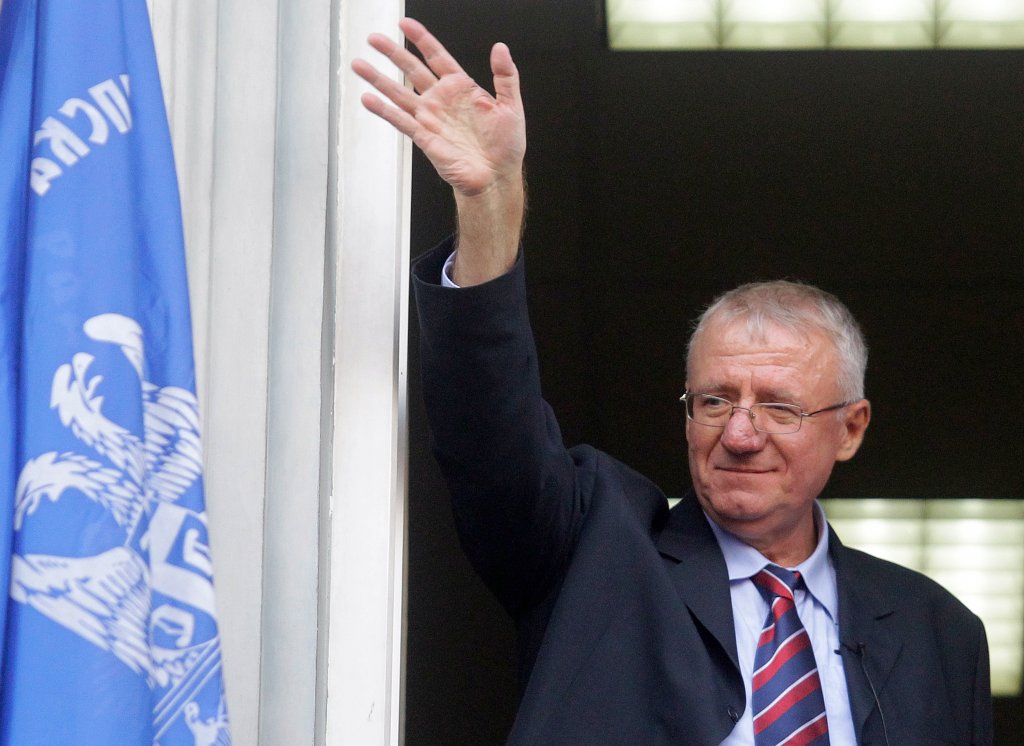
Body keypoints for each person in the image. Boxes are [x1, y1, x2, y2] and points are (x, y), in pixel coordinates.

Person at [353, 18, 993, 745]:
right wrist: (490, 200)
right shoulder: (596, 551)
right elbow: (491, 435)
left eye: (779, 408)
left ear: (850, 427)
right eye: (715, 401)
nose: (740, 435)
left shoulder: (938, 632)